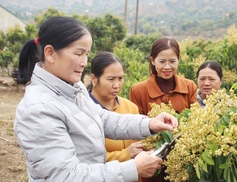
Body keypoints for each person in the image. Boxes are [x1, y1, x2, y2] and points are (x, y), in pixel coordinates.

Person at [12, 16, 178, 182]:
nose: (84, 62)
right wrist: (132, 168)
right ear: (50, 53)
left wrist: (149, 124)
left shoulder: (73, 88)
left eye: (86, 54)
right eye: (79, 53)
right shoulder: (38, 110)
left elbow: (101, 118)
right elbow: (65, 176)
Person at [88, 51, 144, 163]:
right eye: (111, 79)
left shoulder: (130, 107)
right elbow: (87, 160)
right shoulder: (84, 110)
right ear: (94, 79)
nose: (117, 85)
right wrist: (125, 154)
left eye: (120, 78)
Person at [130, 37, 198, 115]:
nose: (167, 67)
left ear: (178, 59)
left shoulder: (190, 87)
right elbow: (136, 123)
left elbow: (196, 118)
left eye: (172, 61)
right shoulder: (138, 90)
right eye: (162, 61)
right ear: (153, 61)